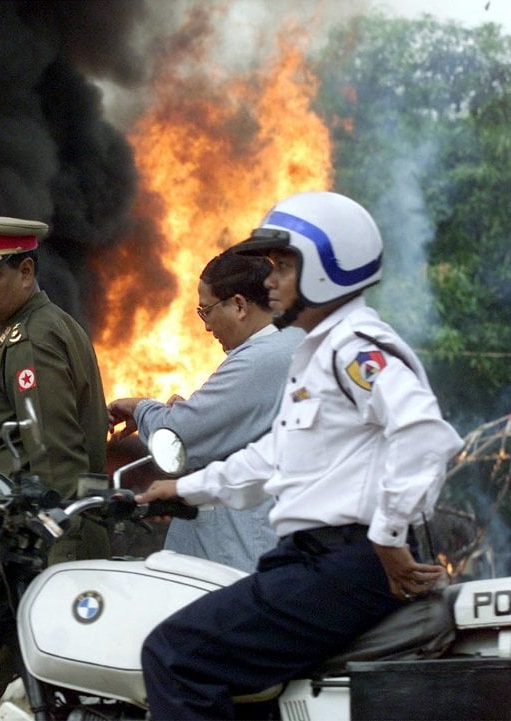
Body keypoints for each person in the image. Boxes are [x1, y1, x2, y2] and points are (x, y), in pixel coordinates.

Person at [136, 191, 464, 720]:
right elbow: (275, 458)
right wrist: (184, 489)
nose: (270, 281)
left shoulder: (357, 348)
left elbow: (425, 434)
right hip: (311, 557)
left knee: (175, 655)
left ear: (330, 269)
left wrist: (388, 534)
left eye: (285, 266)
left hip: (345, 561)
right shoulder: (316, 352)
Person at [107, 251, 304, 571]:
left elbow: (179, 436)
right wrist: (198, 415)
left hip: (235, 551)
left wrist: (142, 408)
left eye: (206, 311)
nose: (206, 326)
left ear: (239, 305)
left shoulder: (261, 358)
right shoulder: (288, 342)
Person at [0, 215, 111, 563]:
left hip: (44, 547)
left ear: (25, 272)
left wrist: (59, 565)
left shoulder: (31, 341)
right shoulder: (37, 327)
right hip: (31, 540)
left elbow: (56, 462)